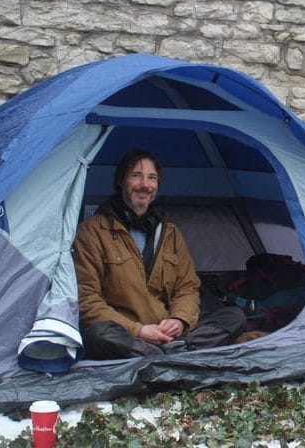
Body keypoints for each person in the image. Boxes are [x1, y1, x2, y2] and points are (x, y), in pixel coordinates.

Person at [75, 148, 246, 359]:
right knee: (98, 334)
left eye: (152, 178)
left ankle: (168, 352)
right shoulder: (91, 232)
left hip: (168, 331)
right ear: (121, 181)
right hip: (128, 333)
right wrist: (138, 330)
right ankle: (176, 354)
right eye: (136, 175)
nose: (145, 185)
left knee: (234, 316)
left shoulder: (169, 233)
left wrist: (179, 320)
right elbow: (87, 300)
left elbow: (187, 287)